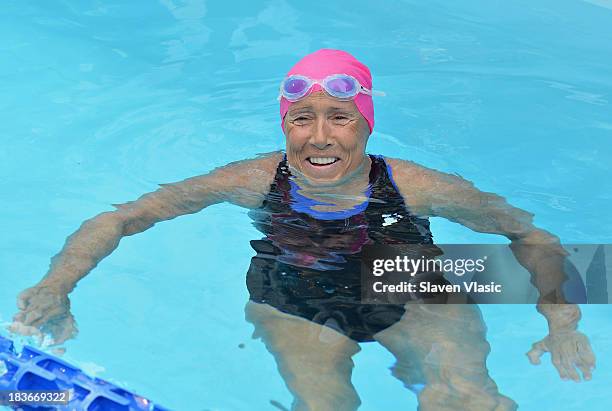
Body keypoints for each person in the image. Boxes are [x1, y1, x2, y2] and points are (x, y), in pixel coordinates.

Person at [10, 49, 595, 411]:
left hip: (410, 287)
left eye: (339, 117)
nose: (319, 137)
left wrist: (562, 322)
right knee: (322, 406)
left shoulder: (420, 186)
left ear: (365, 125)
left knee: (468, 401)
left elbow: (532, 238)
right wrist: (57, 285)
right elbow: (120, 217)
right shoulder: (248, 178)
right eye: (301, 119)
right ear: (284, 126)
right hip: (291, 295)